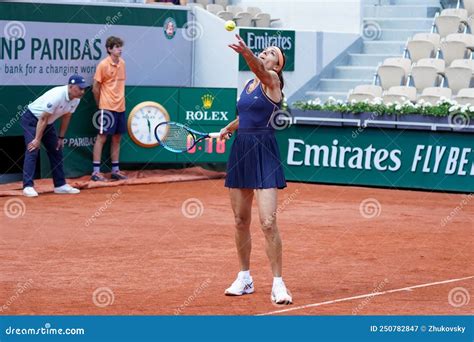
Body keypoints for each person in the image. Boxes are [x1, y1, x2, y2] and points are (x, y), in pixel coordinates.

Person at [219, 35, 292, 305]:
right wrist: (229, 128)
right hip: (241, 149)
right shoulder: (249, 84)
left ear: (277, 65)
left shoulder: (271, 81)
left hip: (264, 151)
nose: (266, 52)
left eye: (271, 52)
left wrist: (246, 52)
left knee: (268, 222)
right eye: (265, 50)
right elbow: (246, 115)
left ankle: (278, 284)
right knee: (240, 220)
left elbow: (258, 69)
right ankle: (244, 277)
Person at [21, 75, 86, 197]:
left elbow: (67, 116)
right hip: (32, 120)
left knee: (56, 149)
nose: (82, 91)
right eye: (80, 88)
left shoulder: (76, 99)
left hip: (47, 122)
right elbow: (43, 118)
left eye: (83, 89)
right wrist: (37, 139)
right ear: (71, 87)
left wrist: (61, 138)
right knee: (33, 149)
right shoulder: (57, 96)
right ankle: (28, 186)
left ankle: (60, 185)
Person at [91, 36, 128, 182]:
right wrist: (100, 104)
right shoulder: (102, 65)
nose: (120, 49)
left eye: (120, 46)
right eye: (117, 46)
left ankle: (115, 170)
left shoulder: (123, 64)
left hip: (121, 107)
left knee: (117, 138)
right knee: (102, 138)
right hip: (106, 107)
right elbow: (95, 88)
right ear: (109, 49)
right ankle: (95, 172)